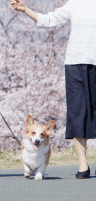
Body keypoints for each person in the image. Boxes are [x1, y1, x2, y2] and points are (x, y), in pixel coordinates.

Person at [8, 0, 96, 179]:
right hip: (75, 64)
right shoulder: (75, 4)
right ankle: (83, 165)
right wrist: (25, 9)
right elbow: (49, 19)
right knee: (77, 114)